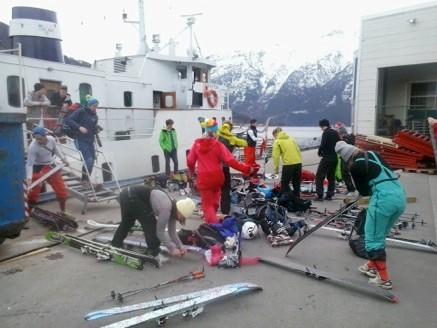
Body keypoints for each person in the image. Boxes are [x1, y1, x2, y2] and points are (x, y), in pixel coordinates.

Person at [335, 141, 406, 289]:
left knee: (372, 239)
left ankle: (384, 280)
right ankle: (370, 266)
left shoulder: (355, 166)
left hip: (382, 199)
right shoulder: (374, 154)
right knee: (379, 235)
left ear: (346, 158)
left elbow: (365, 192)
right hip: (399, 196)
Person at [111, 185, 196, 265]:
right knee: (151, 224)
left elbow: (172, 232)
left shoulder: (174, 208)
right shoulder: (166, 208)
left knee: (127, 223)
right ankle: (154, 253)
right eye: (183, 217)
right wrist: (172, 249)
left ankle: (115, 245)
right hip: (132, 197)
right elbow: (160, 232)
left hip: (126, 194)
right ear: (180, 211)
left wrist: (180, 246)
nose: (182, 219)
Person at [187, 119, 251, 224]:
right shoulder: (218, 145)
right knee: (215, 202)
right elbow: (230, 161)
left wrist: (192, 172)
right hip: (217, 177)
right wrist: (246, 169)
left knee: (207, 206)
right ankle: (214, 217)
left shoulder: (196, 144)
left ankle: (213, 226)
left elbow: (190, 161)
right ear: (215, 132)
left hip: (204, 179)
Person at [26, 127, 69, 214]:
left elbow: (56, 150)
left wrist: (64, 159)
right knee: (32, 194)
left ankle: (63, 211)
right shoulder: (32, 147)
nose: (38, 141)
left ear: (45, 136)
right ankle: (28, 214)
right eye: (36, 139)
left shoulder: (51, 139)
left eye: (40, 139)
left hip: (50, 166)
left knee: (62, 192)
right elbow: (29, 164)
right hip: (38, 167)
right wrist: (29, 179)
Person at [65, 96, 99, 183]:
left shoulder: (95, 116)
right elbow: (68, 120)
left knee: (92, 161)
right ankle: (84, 180)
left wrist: (96, 130)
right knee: (88, 160)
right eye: (94, 106)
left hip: (90, 140)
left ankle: (86, 180)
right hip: (80, 139)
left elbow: (93, 128)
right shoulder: (81, 111)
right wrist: (79, 127)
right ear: (90, 105)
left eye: (96, 106)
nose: (95, 108)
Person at [217, 120, 248, 214]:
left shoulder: (216, 135)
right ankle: (225, 210)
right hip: (225, 166)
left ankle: (211, 210)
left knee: (213, 190)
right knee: (225, 189)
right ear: (230, 128)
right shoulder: (232, 138)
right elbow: (244, 143)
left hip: (213, 167)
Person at [272, 127, 302, 197]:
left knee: (284, 184)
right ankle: (297, 198)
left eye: (274, 136)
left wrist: (276, 170)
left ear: (275, 134)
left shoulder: (277, 141)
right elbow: (298, 151)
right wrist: (299, 161)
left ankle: (283, 201)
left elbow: (275, 157)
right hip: (298, 163)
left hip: (288, 164)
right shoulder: (291, 139)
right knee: (296, 183)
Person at [315, 119, 340, 201]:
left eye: (320, 126)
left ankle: (319, 195)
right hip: (334, 158)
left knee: (319, 176)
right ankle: (329, 195)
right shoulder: (335, 132)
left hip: (326, 158)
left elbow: (323, 144)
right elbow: (339, 143)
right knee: (331, 177)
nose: (320, 128)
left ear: (322, 126)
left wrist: (319, 152)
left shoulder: (326, 133)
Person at [335, 122, 356, 196]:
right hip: (346, 156)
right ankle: (350, 188)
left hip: (347, 157)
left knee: (345, 172)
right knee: (345, 172)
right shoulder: (347, 136)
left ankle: (351, 189)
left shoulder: (344, 137)